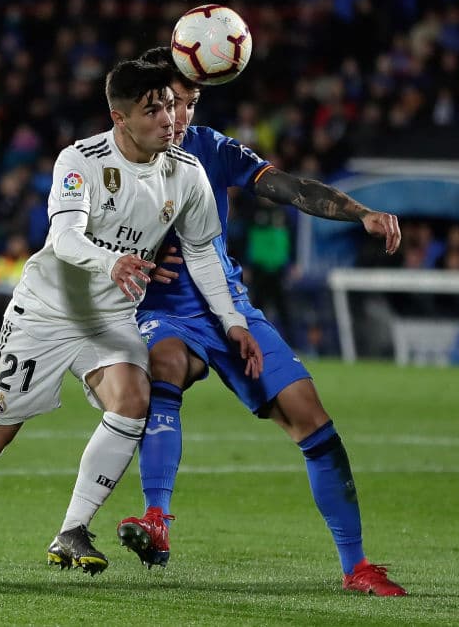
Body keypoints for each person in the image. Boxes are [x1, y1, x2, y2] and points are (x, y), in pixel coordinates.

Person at [0, 59, 263, 578]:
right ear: (120, 118)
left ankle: (72, 530)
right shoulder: (81, 160)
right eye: (153, 110)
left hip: (110, 318)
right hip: (46, 314)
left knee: (133, 398)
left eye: (170, 106)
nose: (169, 119)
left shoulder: (186, 172)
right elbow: (66, 237)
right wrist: (111, 261)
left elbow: (203, 251)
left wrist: (232, 320)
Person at [114, 49, 407, 596]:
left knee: (311, 417)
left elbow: (290, 187)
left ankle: (357, 566)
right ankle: (156, 518)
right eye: (171, 103)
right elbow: (76, 234)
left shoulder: (210, 149)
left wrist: (360, 213)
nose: (181, 116)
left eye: (191, 103)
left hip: (230, 304)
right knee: (164, 364)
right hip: (162, 310)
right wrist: (131, 257)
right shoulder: (108, 160)